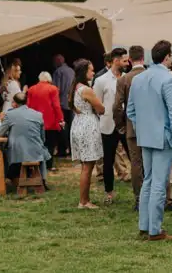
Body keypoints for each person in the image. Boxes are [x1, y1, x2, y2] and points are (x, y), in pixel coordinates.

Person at [127, 40, 172, 241]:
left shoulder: (138, 79)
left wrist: (142, 127)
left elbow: (130, 111)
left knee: (149, 181)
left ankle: (145, 226)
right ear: (167, 56)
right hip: (163, 136)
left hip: (145, 136)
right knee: (159, 183)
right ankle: (155, 229)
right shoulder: (168, 79)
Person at [114, 45, 148, 211]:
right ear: (143, 58)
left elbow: (117, 106)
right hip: (151, 126)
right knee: (152, 162)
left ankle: (139, 198)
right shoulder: (150, 76)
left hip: (131, 126)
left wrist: (121, 124)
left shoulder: (124, 79)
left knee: (136, 163)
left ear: (129, 60)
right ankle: (156, 197)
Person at [93, 48, 127, 203]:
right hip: (108, 124)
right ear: (115, 60)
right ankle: (109, 192)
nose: (127, 62)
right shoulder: (101, 80)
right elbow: (97, 103)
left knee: (134, 157)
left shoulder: (127, 78)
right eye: (124, 60)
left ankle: (139, 191)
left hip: (127, 124)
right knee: (108, 160)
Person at [0, 92, 51, 189]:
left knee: (2, 153)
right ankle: (42, 180)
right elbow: (43, 138)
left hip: (17, 152)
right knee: (41, 149)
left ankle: (4, 179)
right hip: (36, 151)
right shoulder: (38, 115)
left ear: (15, 103)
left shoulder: (10, 114)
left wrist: (2, 121)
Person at [70, 58, 104, 209]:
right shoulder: (86, 90)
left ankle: (84, 199)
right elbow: (101, 108)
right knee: (88, 166)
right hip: (88, 125)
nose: (93, 72)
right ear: (84, 72)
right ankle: (84, 201)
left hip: (78, 123)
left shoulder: (74, 88)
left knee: (86, 165)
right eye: (91, 70)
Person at [26, 72, 65, 170]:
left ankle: (37, 164)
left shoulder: (31, 89)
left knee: (37, 143)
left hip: (34, 121)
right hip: (49, 122)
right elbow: (56, 106)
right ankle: (48, 165)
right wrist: (61, 119)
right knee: (50, 144)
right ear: (49, 79)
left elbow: (28, 105)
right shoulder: (53, 89)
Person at [52, 54, 74, 157]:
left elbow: (56, 89)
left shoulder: (58, 72)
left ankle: (62, 150)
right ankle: (72, 149)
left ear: (58, 61)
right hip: (71, 103)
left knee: (61, 127)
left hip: (61, 103)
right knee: (71, 127)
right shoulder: (71, 71)